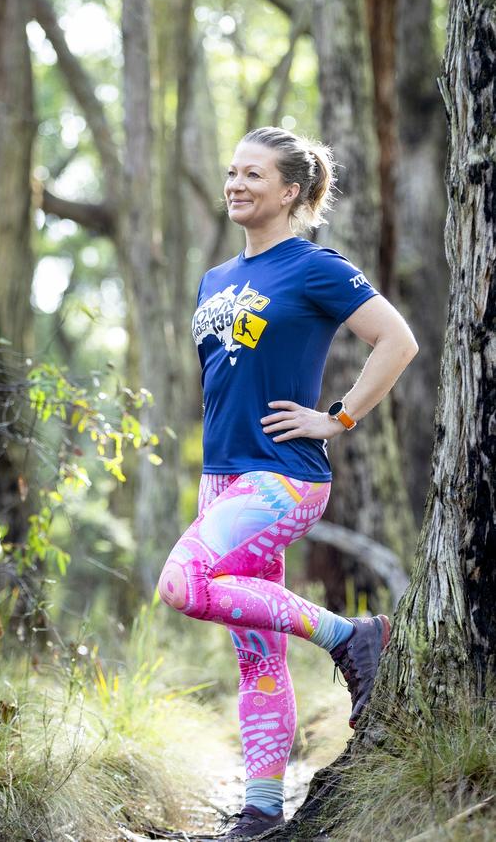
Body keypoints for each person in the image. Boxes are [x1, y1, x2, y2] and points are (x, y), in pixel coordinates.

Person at [157, 127, 419, 840]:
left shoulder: (315, 267)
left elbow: (398, 340)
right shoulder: (214, 279)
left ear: (293, 191)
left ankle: (350, 634)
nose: (235, 183)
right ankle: (263, 809)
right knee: (256, 654)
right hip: (222, 481)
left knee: (181, 584)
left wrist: (339, 417)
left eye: (253, 174)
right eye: (231, 171)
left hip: (283, 477)